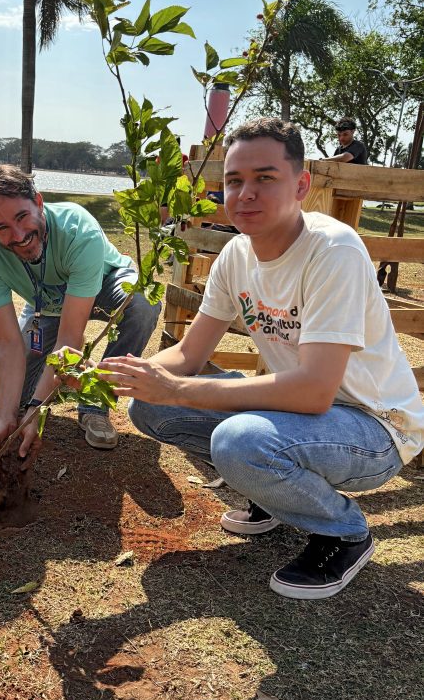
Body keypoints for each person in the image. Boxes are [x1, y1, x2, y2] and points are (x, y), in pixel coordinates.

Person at [100, 117, 424, 600]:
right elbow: (190, 353)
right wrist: (112, 376)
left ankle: (344, 533)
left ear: (301, 185)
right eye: (234, 181)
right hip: (300, 418)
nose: (245, 193)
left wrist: (179, 389)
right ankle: (274, 494)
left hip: (376, 428)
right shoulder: (236, 255)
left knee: (239, 441)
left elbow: (314, 391)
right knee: (148, 406)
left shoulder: (332, 251)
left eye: (264, 178)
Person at [0, 165, 161, 459]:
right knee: (5, 396)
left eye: (22, 217)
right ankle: (74, 378)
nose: (19, 235)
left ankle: (94, 405)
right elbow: (8, 343)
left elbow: (70, 335)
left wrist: (35, 412)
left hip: (105, 285)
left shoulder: (77, 229)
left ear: (39, 202)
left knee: (141, 303)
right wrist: (5, 416)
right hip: (45, 306)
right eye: (2, 228)